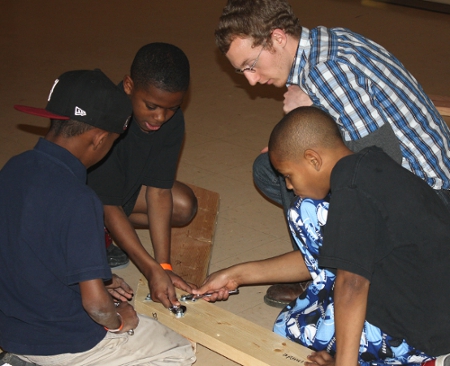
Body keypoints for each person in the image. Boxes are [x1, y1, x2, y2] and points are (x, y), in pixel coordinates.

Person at [215, 0, 450, 308]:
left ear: (277, 38)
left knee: (296, 170)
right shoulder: (327, 41)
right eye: (241, 71)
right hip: (424, 175)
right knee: (271, 167)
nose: (251, 79)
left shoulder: (325, 72)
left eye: (251, 64)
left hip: (431, 197)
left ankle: (329, 271)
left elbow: (380, 167)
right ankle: (321, 260)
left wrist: (307, 111)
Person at [193, 106, 450, 366]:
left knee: (292, 327)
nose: (289, 186)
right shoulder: (370, 164)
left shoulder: (351, 194)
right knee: (314, 217)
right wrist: (235, 275)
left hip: (421, 337)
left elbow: (352, 286)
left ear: (313, 160)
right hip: (427, 304)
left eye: (288, 176)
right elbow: (322, 256)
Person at [0, 69, 196, 366]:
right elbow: (95, 306)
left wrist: (96, 280)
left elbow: (29, 248)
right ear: (100, 139)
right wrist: (117, 320)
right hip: (65, 341)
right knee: (178, 350)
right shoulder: (81, 199)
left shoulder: (14, 167)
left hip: (12, 331)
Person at [87, 43, 198, 309]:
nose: (160, 117)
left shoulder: (172, 120)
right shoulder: (106, 118)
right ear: (128, 85)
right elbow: (108, 204)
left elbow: (158, 191)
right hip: (84, 198)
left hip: (121, 190)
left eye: (172, 107)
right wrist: (150, 270)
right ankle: (98, 234)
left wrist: (163, 265)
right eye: (151, 106)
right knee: (93, 218)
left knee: (184, 205)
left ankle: (108, 233)